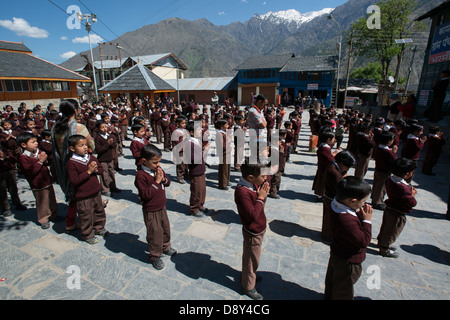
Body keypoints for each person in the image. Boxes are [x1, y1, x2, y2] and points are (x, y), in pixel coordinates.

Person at [324, 176, 373, 300]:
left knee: (333, 280)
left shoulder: (335, 203)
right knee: (343, 289)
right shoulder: (347, 220)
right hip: (348, 260)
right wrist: (366, 221)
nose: (364, 204)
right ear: (352, 201)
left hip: (337, 252)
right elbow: (363, 241)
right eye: (363, 201)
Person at [52, 99, 95, 232]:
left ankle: (71, 221)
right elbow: (92, 145)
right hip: (78, 165)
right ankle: (73, 222)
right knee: (80, 197)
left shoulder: (55, 127)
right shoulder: (78, 128)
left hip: (62, 166)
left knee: (74, 196)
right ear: (76, 111)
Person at [134, 144, 176, 270]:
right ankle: (155, 255)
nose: (158, 164)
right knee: (154, 233)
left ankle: (165, 246)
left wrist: (163, 179)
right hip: (151, 210)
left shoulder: (157, 170)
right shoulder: (141, 176)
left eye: (159, 161)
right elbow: (146, 195)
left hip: (161, 206)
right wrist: (157, 182)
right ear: (144, 161)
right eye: (155, 162)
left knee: (165, 228)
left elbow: (168, 183)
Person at [235, 160, 269, 300]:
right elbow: (252, 215)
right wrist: (261, 198)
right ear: (250, 177)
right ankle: (248, 285)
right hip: (252, 231)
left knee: (253, 257)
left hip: (258, 229)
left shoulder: (252, 183)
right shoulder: (242, 192)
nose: (265, 178)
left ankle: (249, 275)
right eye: (263, 176)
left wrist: (262, 192)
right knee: (251, 258)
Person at [66, 135, 109, 244]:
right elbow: (75, 181)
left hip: (95, 192)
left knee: (99, 211)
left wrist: (96, 170)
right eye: (81, 145)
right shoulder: (71, 163)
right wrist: (88, 172)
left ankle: (99, 227)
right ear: (72, 148)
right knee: (86, 215)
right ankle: (87, 234)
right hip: (83, 195)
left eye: (85, 144)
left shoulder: (90, 157)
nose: (85, 147)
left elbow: (100, 169)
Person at [377, 157, 417, 258]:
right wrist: (412, 195)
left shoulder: (390, 179)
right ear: (407, 174)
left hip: (389, 207)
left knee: (385, 226)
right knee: (392, 230)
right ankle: (384, 248)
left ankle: (381, 241)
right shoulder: (403, 188)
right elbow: (412, 202)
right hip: (397, 212)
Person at [17, 132, 59, 229]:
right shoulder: (23, 158)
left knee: (51, 199)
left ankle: (54, 214)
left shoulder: (39, 152)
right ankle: (43, 219)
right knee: (42, 202)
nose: (36, 143)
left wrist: (47, 159)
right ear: (23, 145)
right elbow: (30, 172)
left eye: (36, 141)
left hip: (47, 181)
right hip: (38, 184)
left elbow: (47, 163)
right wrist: (40, 161)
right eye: (33, 142)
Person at [322, 151, 356, 242]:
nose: (347, 169)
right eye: (347, 167)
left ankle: (327, 233)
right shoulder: (335, 173)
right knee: (329, 218)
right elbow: (340, 187)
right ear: (341, 162)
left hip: (329, 196)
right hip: (331, 197)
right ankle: (327, 235)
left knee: (328, 217)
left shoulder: (334, 166)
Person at [371, 131, 398, 210]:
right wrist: (394, 153)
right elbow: (394, 160)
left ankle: (374, 199)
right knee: (381, 187)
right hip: (385, 171)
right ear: (389, 141)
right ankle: (378, 202)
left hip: (378, 169)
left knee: (376, 185)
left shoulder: (379, 147)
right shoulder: (388, 152)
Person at [186, 121, 208, 217]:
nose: (201, 131)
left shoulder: (197, 141)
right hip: (195, 171)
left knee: (202, 189)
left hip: (201, 169)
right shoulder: (189, 143)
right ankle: (194, 208)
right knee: (196, 190)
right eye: (199, 129)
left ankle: (200, 205)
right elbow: (193, 159)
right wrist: (203, 151)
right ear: (191, 132)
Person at [95, 121, 121, 196]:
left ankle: (113, 186)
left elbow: (114, 146)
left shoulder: (109, 136)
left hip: (110, 158)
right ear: (98, 129)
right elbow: (98, 150)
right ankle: (105, 189)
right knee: (104, 174)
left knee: (111, 172)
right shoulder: (98, 138)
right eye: (102, 127)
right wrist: (107, 144)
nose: (104, 129)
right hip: (102, 159)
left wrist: (113, 138)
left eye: (105, 127)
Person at [247, 95, 267, 161]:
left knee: (260, 157)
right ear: (259, 101)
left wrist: (263, 122)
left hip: (260, 137)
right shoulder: (253, 111)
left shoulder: (260, 111)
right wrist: (263, 122)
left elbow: (265, 123)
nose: (265, 106)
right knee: (256, 157)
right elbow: (263, 125)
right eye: (264, 104)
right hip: (255, 137)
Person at [216, 119, 232, 190]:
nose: (228, 126)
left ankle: (227, 181)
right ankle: (223, 184)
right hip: (223, 153)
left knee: (227, 167)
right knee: (224, 169)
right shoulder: (219, 134)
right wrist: (228, 140)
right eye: (226, 125)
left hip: (227, 151)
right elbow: (222, 145)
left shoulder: (224, 133)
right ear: (221, 126)